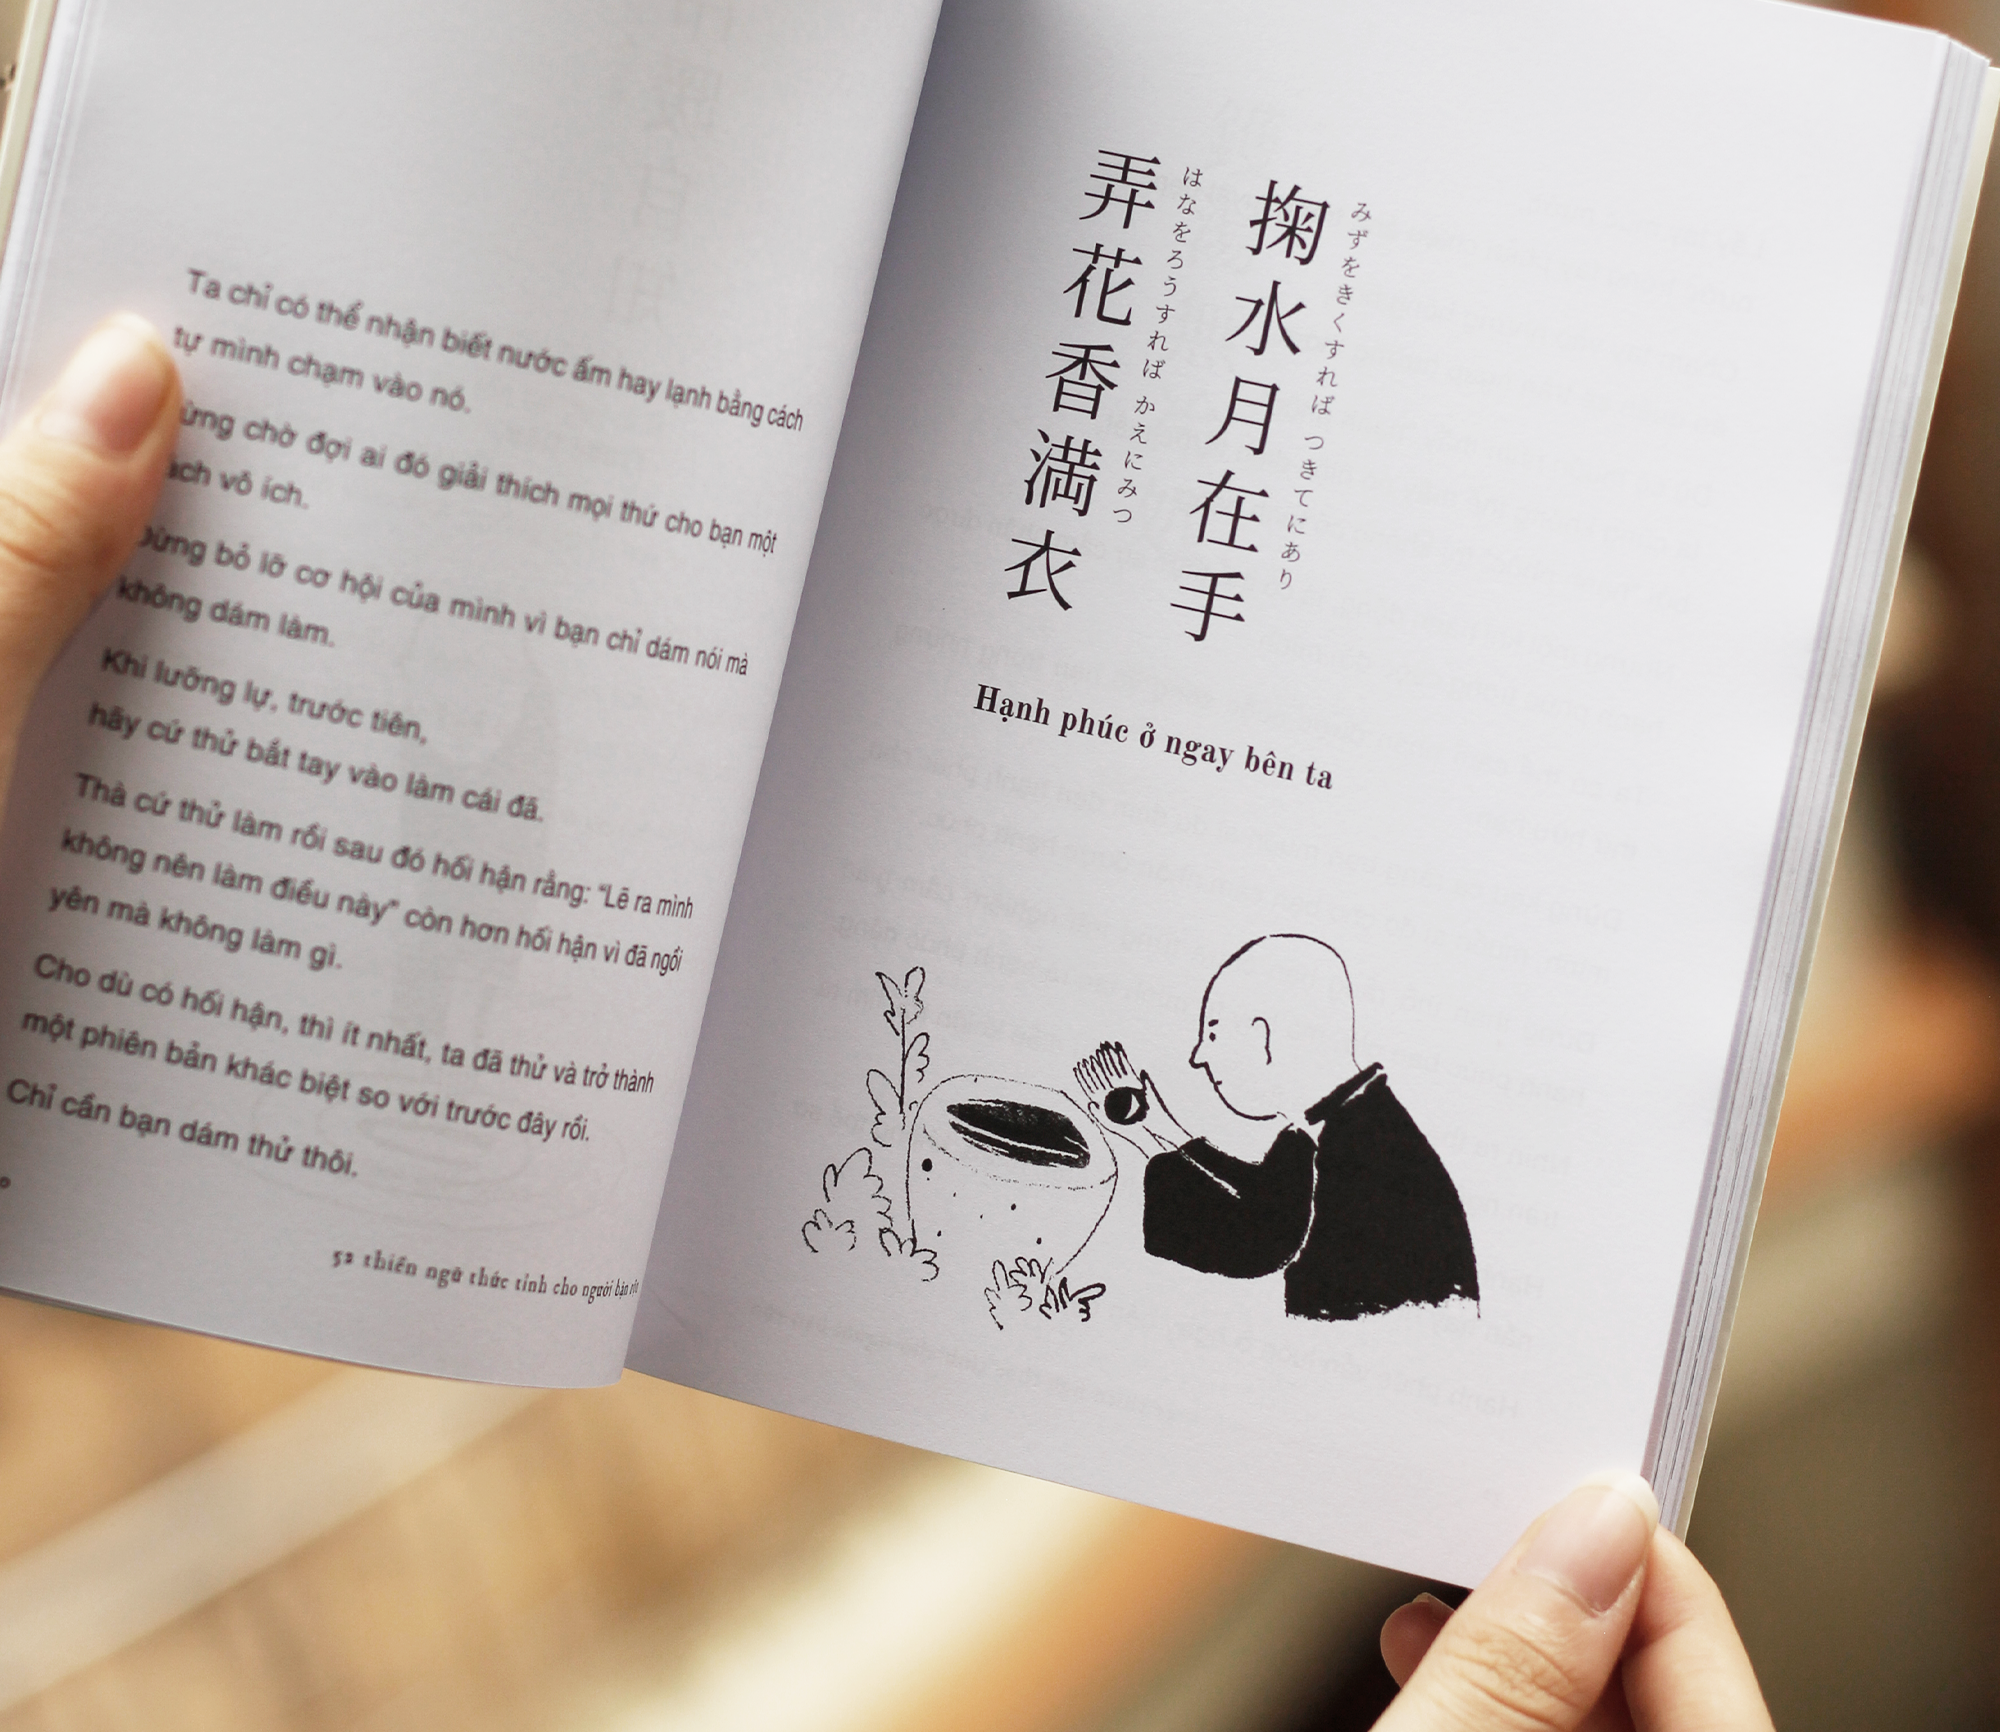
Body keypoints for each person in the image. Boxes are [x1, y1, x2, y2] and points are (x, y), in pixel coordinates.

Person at [0, 319, 1772, 1728]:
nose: (1216, 1064)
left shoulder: (1354, 1163)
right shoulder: (1335, 1128)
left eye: (1236, 1040)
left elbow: (1246, 1244)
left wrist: (1148, 1139)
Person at [1079, 934, 1478, 1319]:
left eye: (1213, 1033)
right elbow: (1264, 1200)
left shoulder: (1361, 1148)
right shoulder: (1331, 1127)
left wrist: (1158, 1156)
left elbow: (1256, 1243)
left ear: (1262, 1036)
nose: (1199, 1055)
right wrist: (1153, 1129)